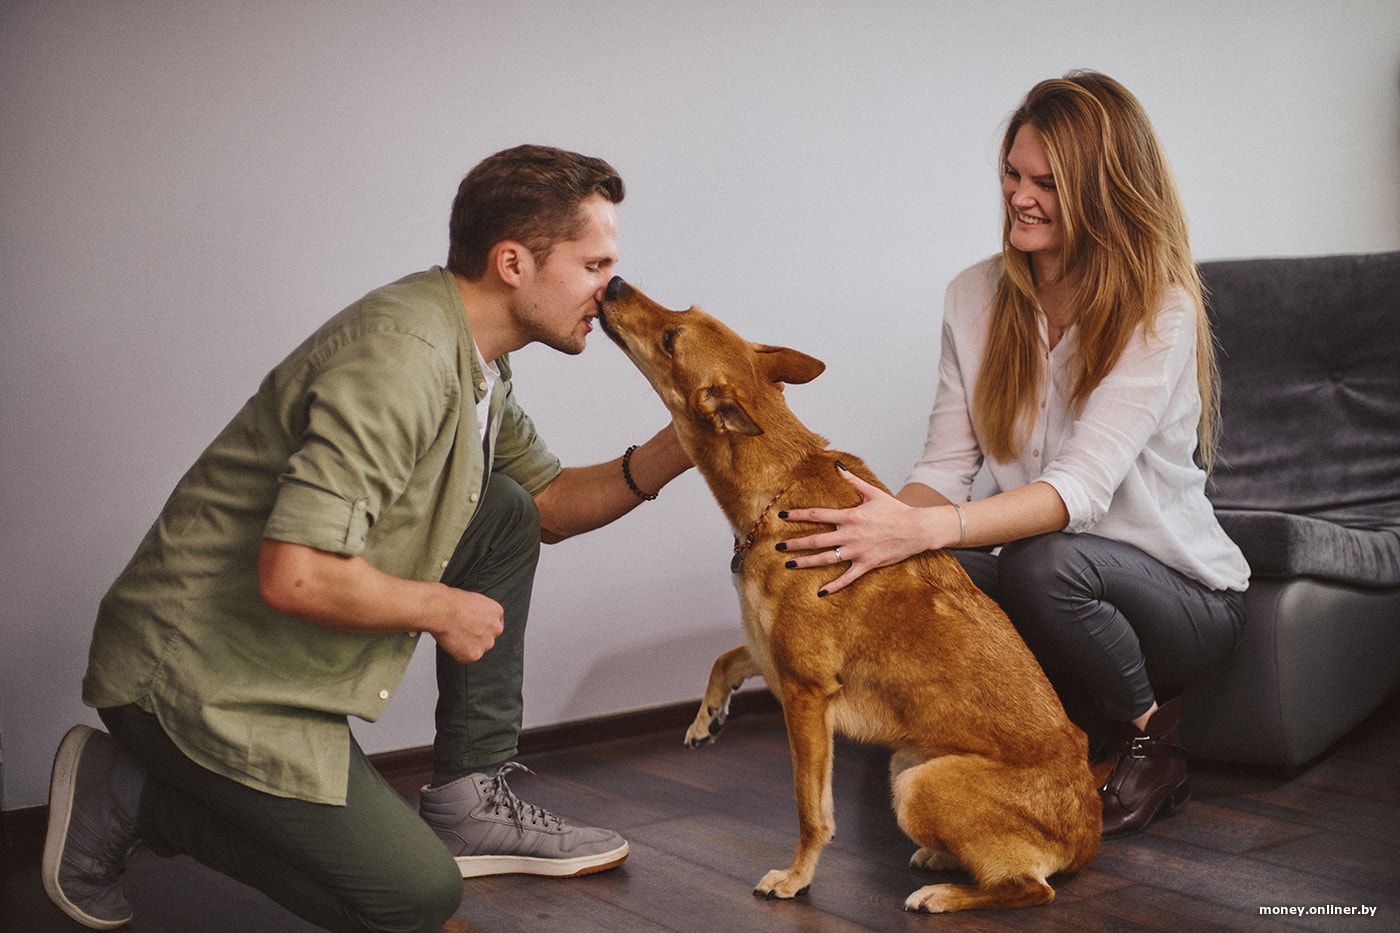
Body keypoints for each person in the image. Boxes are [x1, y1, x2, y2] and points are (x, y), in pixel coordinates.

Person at [44, 144, 692, 932]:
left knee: (506, 507)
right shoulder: (404, 358)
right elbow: (296, 576)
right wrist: (441, 607)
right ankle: (133, 796)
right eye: (595, 265)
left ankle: (466, 797)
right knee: (411, 896)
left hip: (272, 663)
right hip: (193, 678)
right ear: (514, 262)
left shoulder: (476, 358)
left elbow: (551, 502)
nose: (611, 288)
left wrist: (689, 437)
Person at [775, 71, 1248, 838]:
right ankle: (1014, 738)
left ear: (1103, 190)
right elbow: (942, 468)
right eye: (1012, 174)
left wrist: (926, 529)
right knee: (919, 564)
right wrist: (871, 530)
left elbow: (1079, 491)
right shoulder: (972, 295)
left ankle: (1150, 741)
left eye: (1048, 183)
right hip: (1063, 581)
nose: (1019, 196)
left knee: (1039, 558)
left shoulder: (1159, 308)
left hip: (1187, 601)